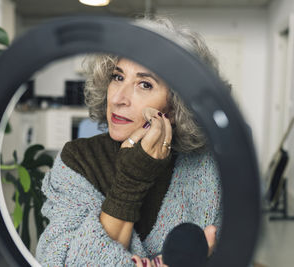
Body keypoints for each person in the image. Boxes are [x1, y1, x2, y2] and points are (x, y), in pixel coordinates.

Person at [36, 16, 225, 266]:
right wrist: (133, 177)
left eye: (144, 84)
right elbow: (57, 261)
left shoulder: (208, 167)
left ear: (178, 104)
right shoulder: (78, 159)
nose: (119, 98)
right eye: (118, 77)